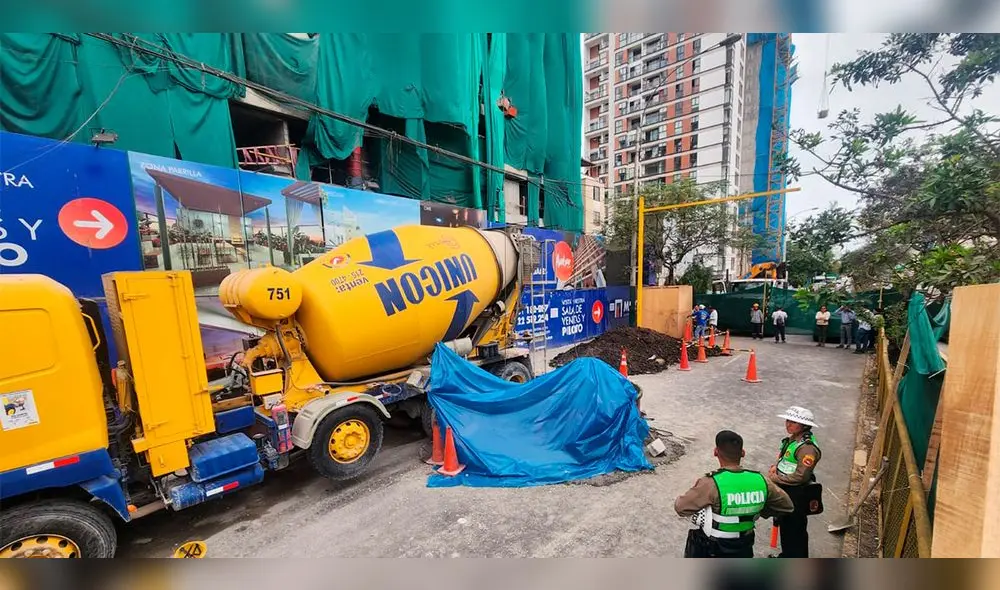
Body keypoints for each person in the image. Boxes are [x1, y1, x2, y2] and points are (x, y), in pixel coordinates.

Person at [675, 430, 793, 558]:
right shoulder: (761, 480)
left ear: (716, 452)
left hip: (713, 548)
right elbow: (787, 506)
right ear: (743, 453)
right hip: (745, 547)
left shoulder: (711, 483)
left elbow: (681, 507)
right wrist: (758, 509)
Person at [768, 406, 822, 558]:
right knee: (785, 527)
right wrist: (775, 467)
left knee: (795, 530)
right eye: (787, 420)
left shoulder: (807, 448)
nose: (788, 424)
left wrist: (775, 479)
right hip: (786, 489)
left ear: (804, 426)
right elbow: (785, 458)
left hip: (796, 493)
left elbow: (801, 477)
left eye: (793, 422)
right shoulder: (792, 440)